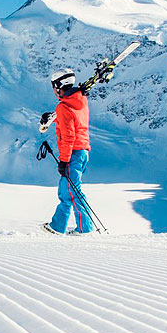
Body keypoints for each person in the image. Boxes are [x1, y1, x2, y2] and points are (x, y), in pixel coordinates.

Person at [41, 68, 96, 235]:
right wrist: (53, 115)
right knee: (66, 190)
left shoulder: (64, 108)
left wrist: (64, 161)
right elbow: (71, 116)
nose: (53, 90)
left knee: (73, 192)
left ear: (59, 85)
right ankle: (57, 226)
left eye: (54, 87)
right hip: (82, 152)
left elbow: (68, 137)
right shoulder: (80, 101)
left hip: (73, 153)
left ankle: (85, 229)